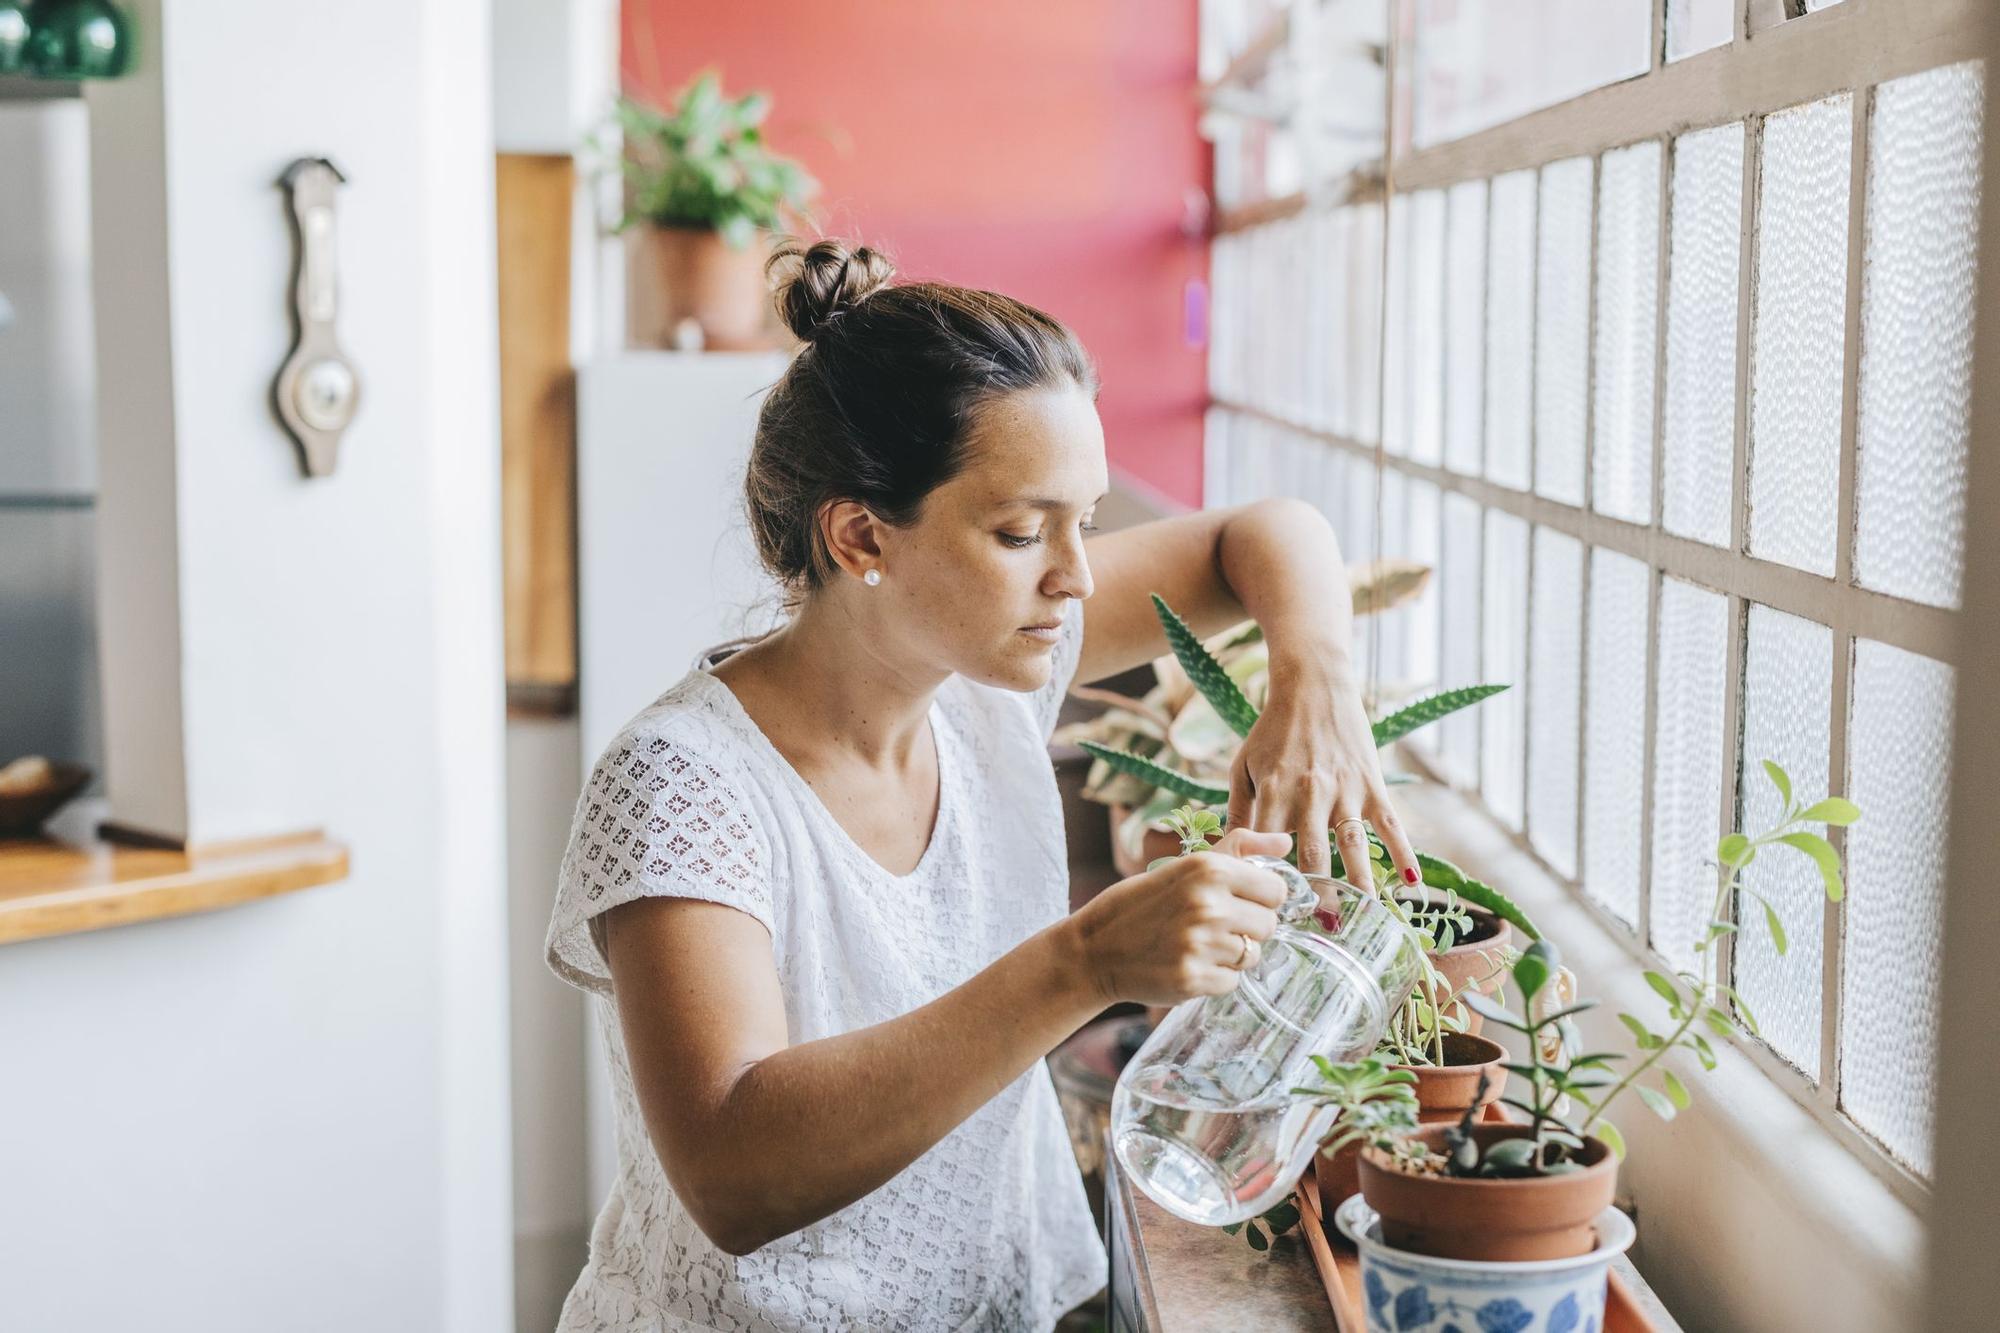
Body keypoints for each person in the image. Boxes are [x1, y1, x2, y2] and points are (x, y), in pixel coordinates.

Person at [544, 238, 1418, 1331]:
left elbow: (1268, 532)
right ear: (861, 533)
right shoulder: (684, 784)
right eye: (1020, 531)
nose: (1077, 576)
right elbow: (733, 1174)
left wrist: (1315, 680)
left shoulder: (985, 673)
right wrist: (1085, 960)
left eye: (1085, 522)